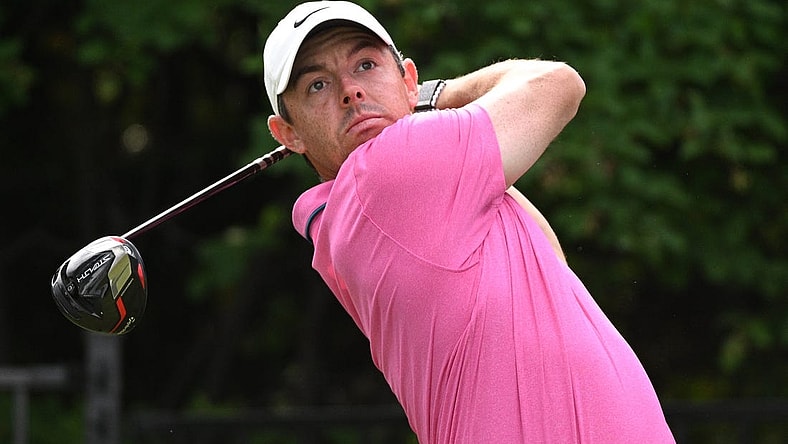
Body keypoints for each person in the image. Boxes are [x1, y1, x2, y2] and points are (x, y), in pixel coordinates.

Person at [263, 1, 675, 442]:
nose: (350, 91)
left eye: (365, 65)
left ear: (406, 78)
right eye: (318, 85)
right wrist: (437, 94)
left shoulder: (354, 214)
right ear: (289, 134)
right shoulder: (386, 170)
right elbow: (558, 84)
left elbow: (550, 262)